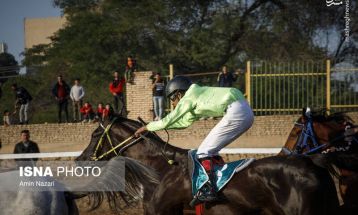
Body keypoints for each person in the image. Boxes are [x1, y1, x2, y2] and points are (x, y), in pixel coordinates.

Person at [134, 76, 254, 204]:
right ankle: (220, 181)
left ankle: (209, 190)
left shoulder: (189, 97)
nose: (173, 104)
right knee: (209, 151)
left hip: (236, 111)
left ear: (179, 94)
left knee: (203, 152)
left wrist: (148, 126)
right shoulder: (197, 95)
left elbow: (169, 119)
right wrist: (155, 127)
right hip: (243, 110)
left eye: (172, 99)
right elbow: (183, 123)